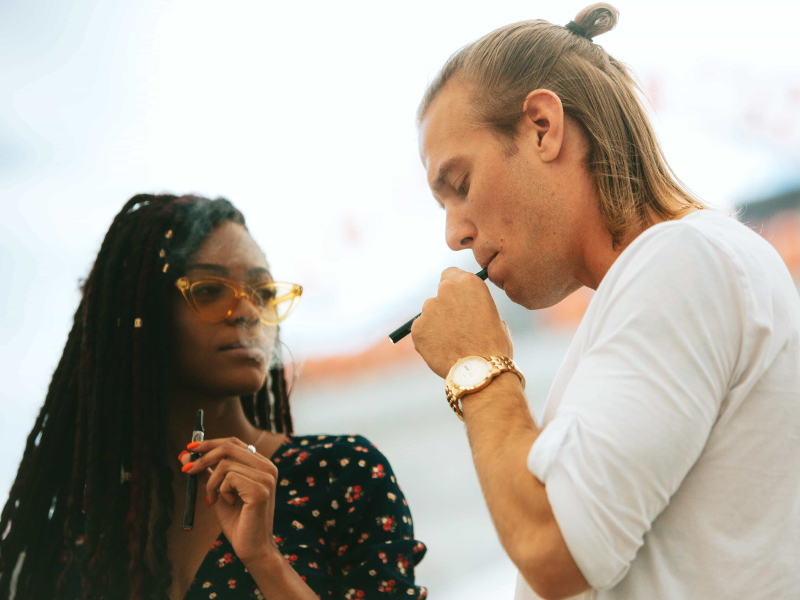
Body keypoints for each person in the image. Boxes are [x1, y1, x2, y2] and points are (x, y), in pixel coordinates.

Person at [410, 3, 800, 600]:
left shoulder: (683, 263)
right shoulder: (677, 270)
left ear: (543, 126)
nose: (455, 234)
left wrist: (477, 366)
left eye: (459, 185)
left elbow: (554, 546)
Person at [0, 194, 427, 600]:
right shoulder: (85, 529)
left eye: (262, 293)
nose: (245, 311)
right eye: (208, 290)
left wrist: (264, 558)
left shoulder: (340, 475)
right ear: (141, 313)